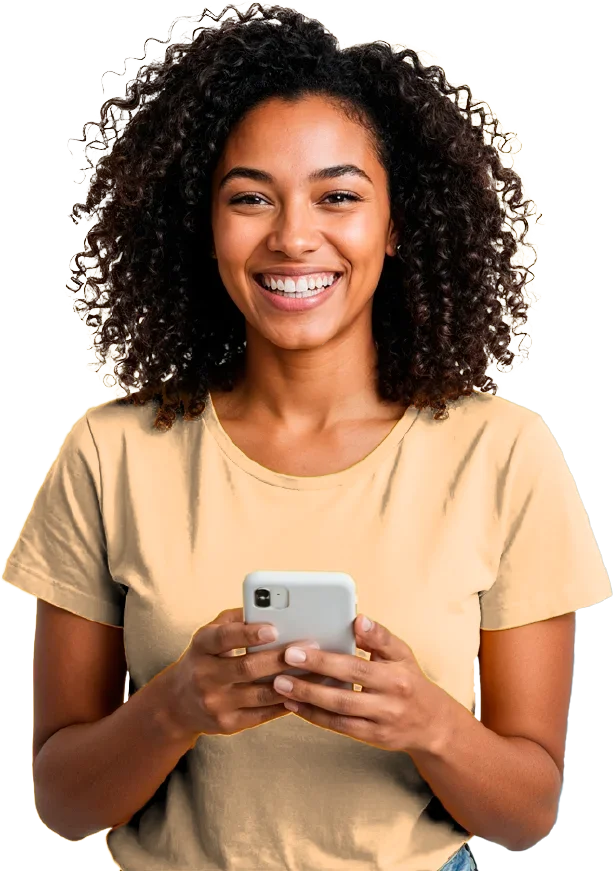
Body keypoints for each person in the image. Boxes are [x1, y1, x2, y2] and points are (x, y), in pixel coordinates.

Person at [2, 3, 611, 870]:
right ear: (201, 223)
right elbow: (61, 802)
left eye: (338, 196)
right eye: (249, 197)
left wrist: (427, 723)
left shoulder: (503, 455)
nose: (292, 236)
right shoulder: (113, 453)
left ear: (396, 223)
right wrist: (174, 706)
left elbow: (527, 814)